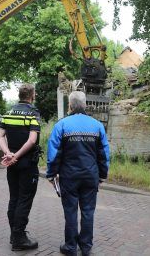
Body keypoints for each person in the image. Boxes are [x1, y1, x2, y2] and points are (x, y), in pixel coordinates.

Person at [46, 91, 110, 256]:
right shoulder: (97, 126)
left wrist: (51, 174)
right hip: (90, 176)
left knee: (70, 211)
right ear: (85, 105)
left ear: (70, 106)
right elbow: (104, 153)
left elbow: (54, 153)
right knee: (88, 211)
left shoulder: (62, 125)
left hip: (69, 177)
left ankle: (70, 247)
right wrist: (102, 175)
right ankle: (86, 247)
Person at [0, 83, 41, 251]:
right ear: (32, 95)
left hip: (11, 163)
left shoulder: (8, 112)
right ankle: (19, 239)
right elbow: (32, 140)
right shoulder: (33, 113)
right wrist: (17, 155)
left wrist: (8, 153)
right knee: (24, 199)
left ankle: (14, 234)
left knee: (14, 198)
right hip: (26, 163)